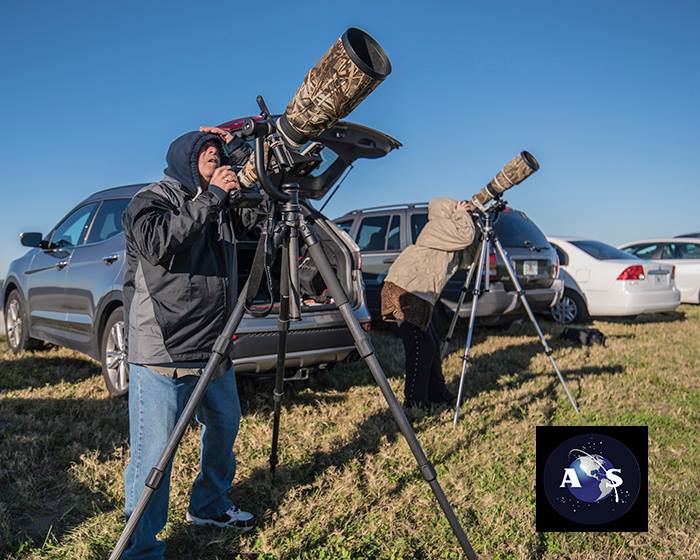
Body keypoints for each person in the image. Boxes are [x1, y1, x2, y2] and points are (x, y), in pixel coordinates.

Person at [121, 126, 263, 559]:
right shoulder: (152, 199)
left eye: (220, 156)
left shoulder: (218, 202)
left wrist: (246, 191)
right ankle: (140, 551)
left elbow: (251, 235)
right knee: (153, 461)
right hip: (163, 352)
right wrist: (212, 198)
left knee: (224, 426)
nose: (217, 159)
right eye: (208, 154)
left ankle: (208, 505)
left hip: (213, 348)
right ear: (186, 158)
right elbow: (158, 242)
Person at [381, 198, 476, 409]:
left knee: (431, 344)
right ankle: (414, 402)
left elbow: (467, 258)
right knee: (420, 347)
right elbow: (465, 236)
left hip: (418, 292)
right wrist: (462, 215)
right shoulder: (436, 227)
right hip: (406, 290)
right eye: (455, 208)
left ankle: (436, 392)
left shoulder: (448, 234)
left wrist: (472, 221)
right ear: (447, 210)